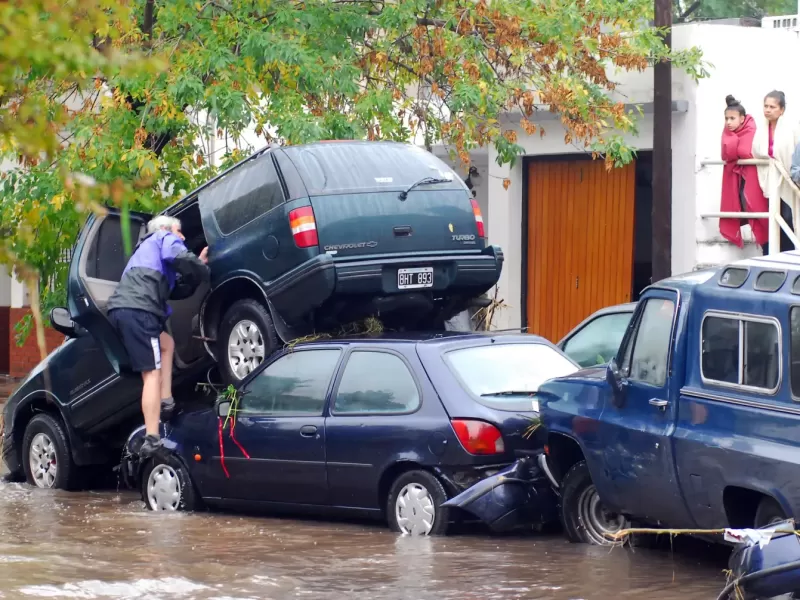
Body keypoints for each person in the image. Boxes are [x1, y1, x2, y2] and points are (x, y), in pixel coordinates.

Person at [106, 215, 209, 458]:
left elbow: (179, 289)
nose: (182, 236)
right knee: (151, 373)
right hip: (140, 310)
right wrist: (201, 267)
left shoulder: (146, 253)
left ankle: (166, 400)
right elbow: (180, 256)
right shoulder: (163, 237)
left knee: (167, 343)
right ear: (165, 229)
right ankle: (152, 437)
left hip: (129, 309)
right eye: (179, 231)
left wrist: (198, 265)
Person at [752, 90, 800, 254]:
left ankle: (788, 253)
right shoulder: (761, 130)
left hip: (787, 180)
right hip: (767, 180)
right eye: (766, 106)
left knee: (787, 218)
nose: (768, 110)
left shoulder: (791, 129)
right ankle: (770, 253)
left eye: (772, 107)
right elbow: (756, 152)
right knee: (769, 219)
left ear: (782, 110)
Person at [719, 95, 769, 252]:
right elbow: (727, 155)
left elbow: (745, 151)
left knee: (760, 215)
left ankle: (768, 247)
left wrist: (733, 140)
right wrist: (732, 137)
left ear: (742, 119)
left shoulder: (751, 131)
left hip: (755, 183)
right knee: (748, 212)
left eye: (732, 118)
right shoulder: (728, 134)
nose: (728, 122)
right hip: (738, 182)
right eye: (726, 119)